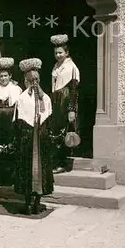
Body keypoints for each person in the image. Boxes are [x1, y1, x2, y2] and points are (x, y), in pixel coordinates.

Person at [14, 58, 54, 215]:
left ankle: (31, 204)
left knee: (32, 169)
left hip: (31, 138)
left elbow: (18, 122)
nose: (34, 82)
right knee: (33, 169)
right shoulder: (26, 98)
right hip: (34, 138)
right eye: (34, 80)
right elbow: (48, 120)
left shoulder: (36, 98)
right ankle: (34, 204)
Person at [0, 57, 22, 181]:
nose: (3, 79)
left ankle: (10, 174)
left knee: (10, 144)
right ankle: (1, 173)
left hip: (10, 119)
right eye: (1, 76)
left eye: (5, 76)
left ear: (10, 76)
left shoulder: (15, 89)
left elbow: (18, 107)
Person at [50, 34, 80, 174]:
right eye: (56, 53)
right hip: (56, 100)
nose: (58, 55)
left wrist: (71, 109)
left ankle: (63, 163)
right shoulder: (56, 66)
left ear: (67, 53)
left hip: (66, 100)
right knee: (55, 131)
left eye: (60, 52)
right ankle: (57, 160)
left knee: (64, 131)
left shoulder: (71, 68)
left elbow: (74, 90)